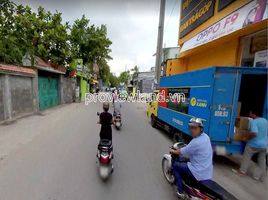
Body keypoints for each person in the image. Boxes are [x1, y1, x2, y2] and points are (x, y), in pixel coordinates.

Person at [170, 118, 213, 198]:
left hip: (198, 172)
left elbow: (181, 152)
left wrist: (172, 151)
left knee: (176, 165)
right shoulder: (206, 137)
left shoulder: (195, 142)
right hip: (207, 171)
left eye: (195, 128)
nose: (192, 130)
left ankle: (180, 192)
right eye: (191, 128)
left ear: (200, 129)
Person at [233, 110, 268, 181]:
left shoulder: (254, 122)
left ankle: (242, 172)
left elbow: (254, 134)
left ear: (253, 114)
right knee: (262, 161)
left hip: (254, 144)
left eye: (250, 113)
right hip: (264, 145)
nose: (249, 115)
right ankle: (259, 176)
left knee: (246, 157)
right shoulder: (265, 121)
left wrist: (246, 138)